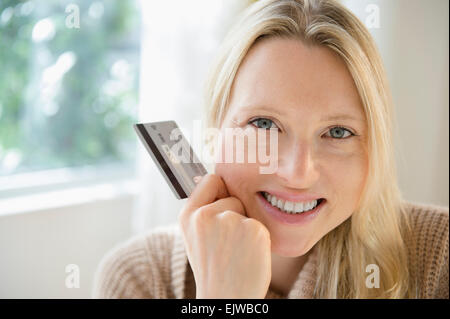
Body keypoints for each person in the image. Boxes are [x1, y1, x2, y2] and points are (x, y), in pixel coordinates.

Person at [92, 0, 448, 299]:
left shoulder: (440, 259)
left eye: (338, 132)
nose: (297, 172)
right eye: (263, 124)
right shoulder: (139, 279)